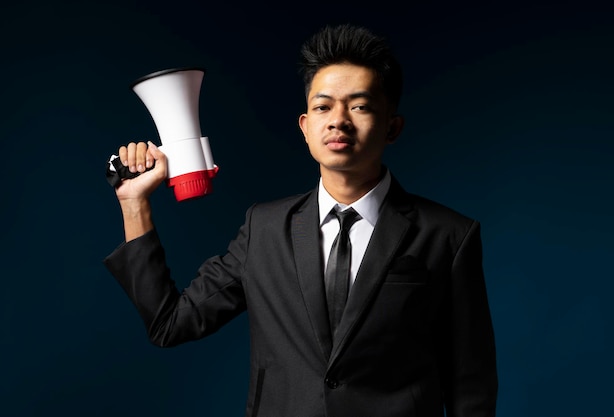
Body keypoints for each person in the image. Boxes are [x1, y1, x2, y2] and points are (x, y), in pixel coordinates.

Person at [104, 23, 498, 417]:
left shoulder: (449, 235)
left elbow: (471, 383)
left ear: (392, 126)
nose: (338, 121)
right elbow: (170, 324)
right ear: (305, 127)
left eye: (359, 106)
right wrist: (133, 204)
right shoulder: (265, 228)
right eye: (323, 107)